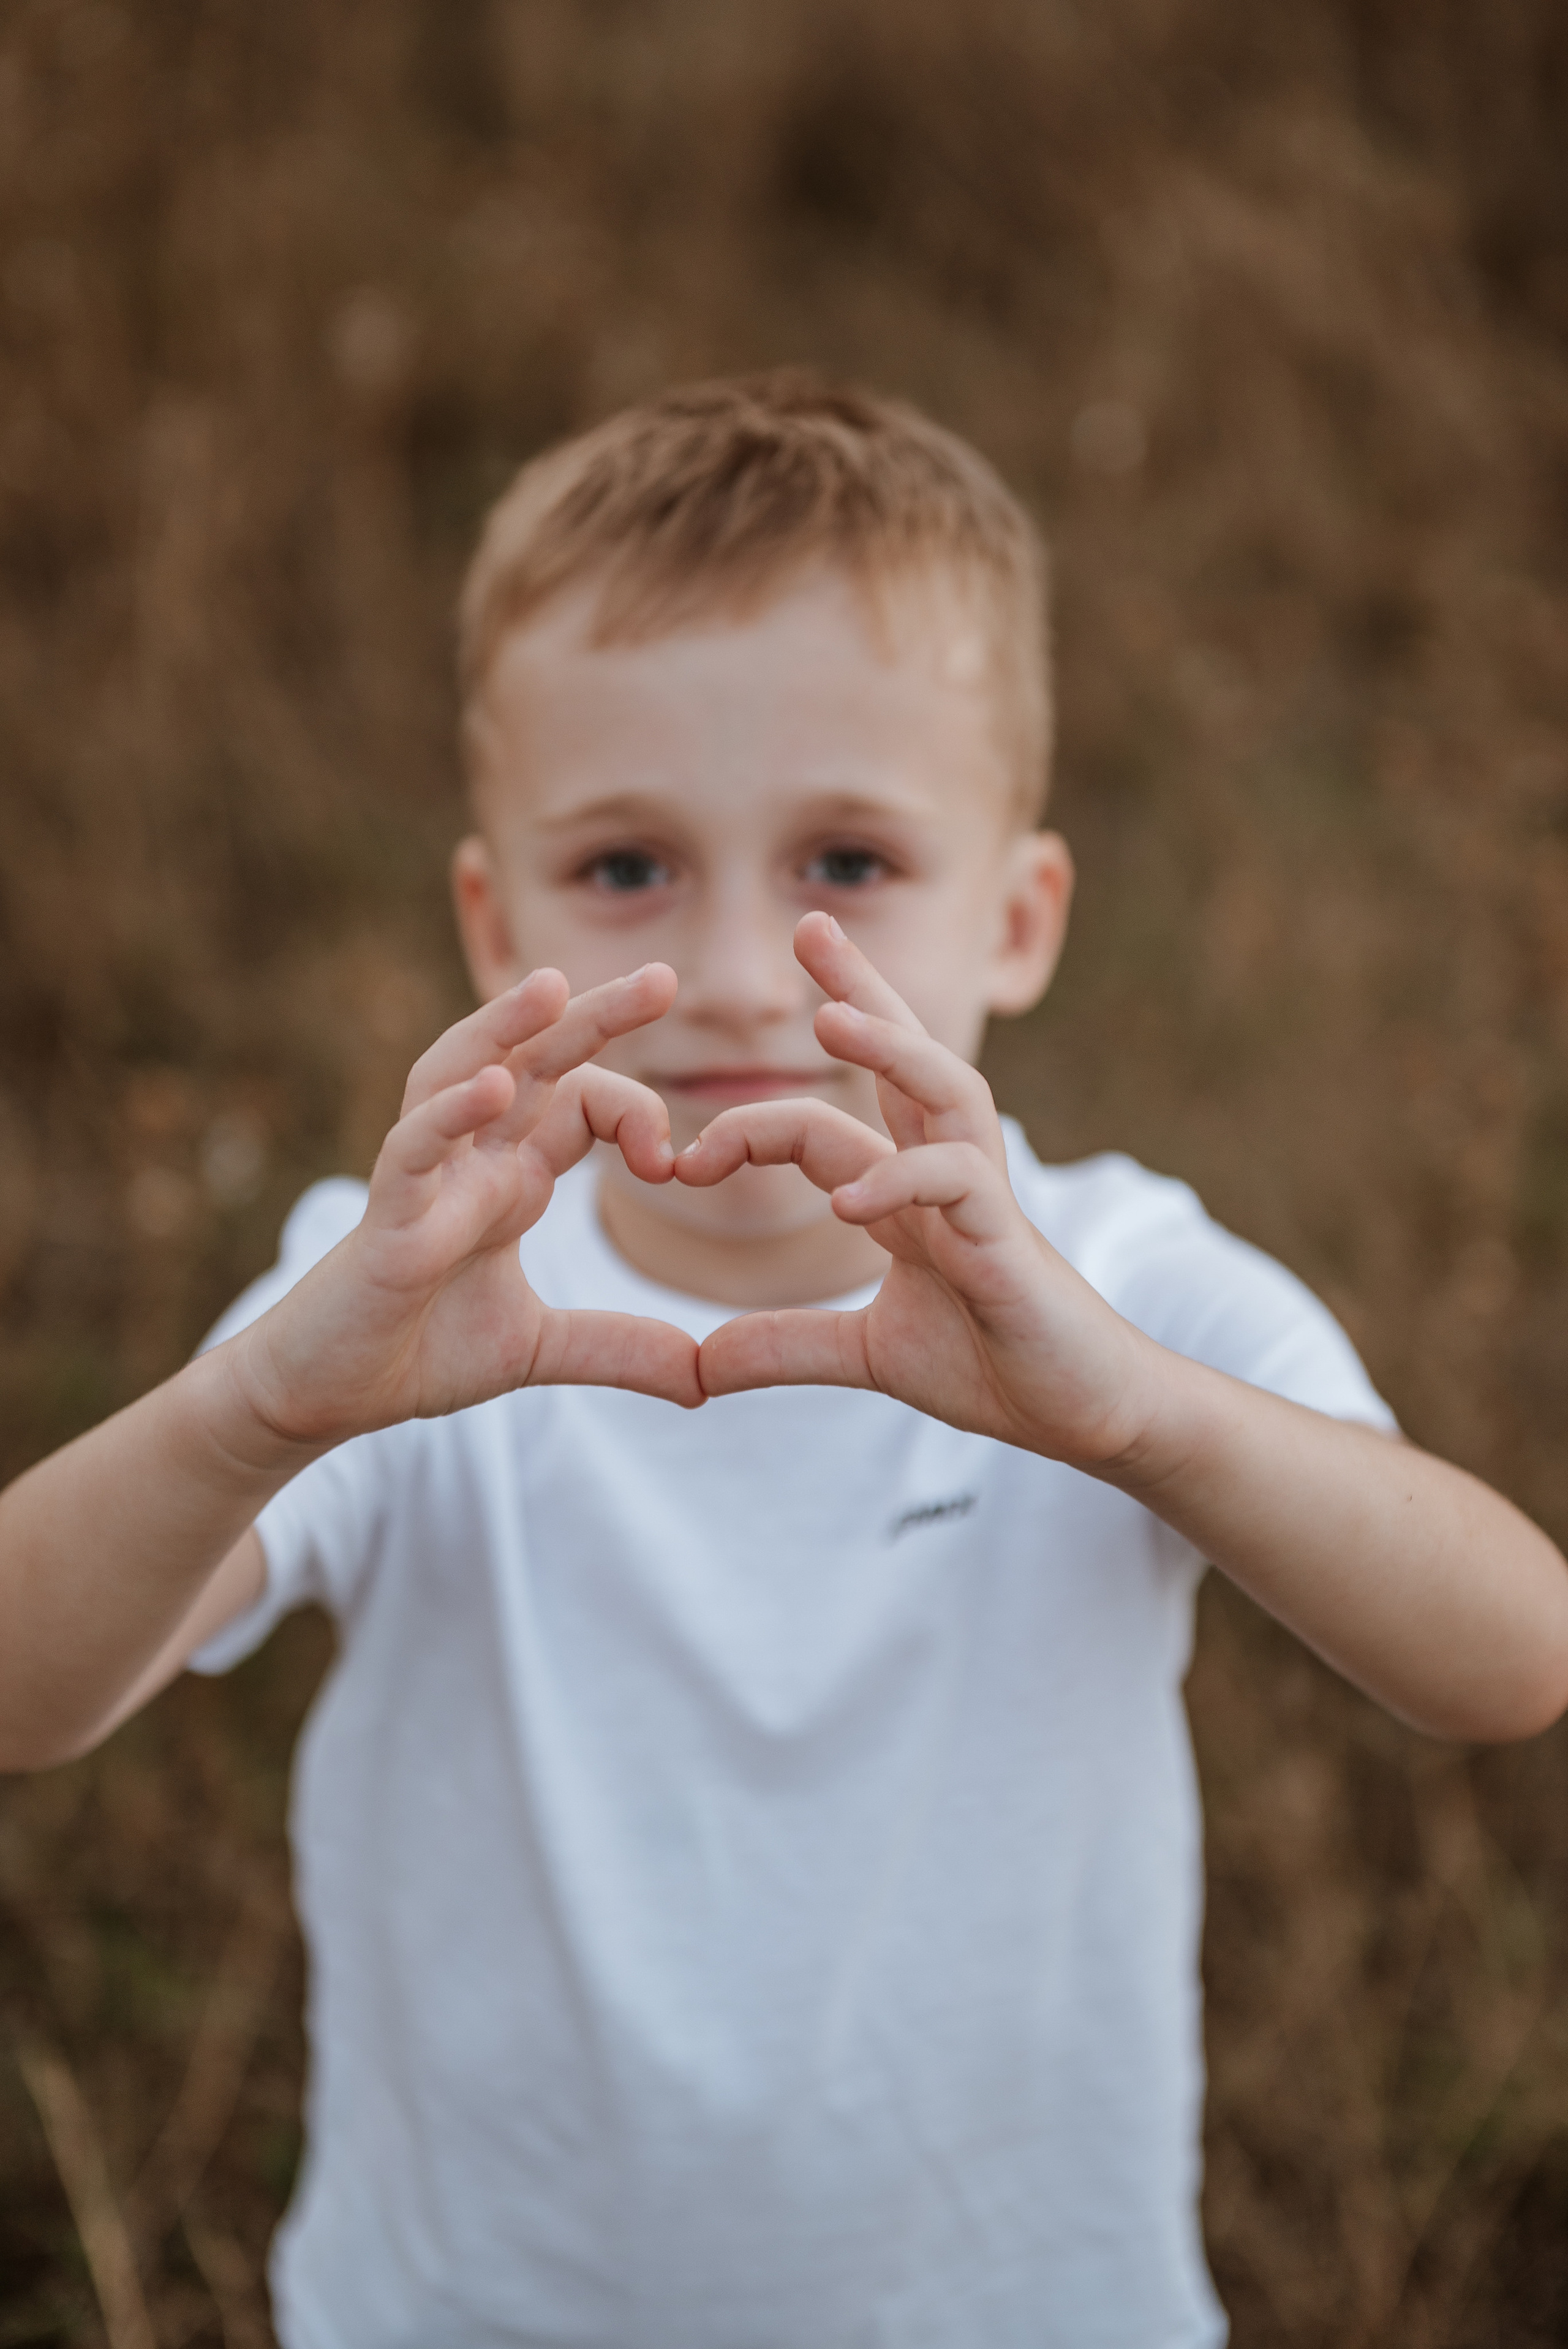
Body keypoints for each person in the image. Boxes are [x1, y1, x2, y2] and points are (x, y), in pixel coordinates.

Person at [3, 373, 1566, 2349]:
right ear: (495, 919)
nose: (742, 972)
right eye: (628, 869)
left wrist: (1141, 1415)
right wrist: (256, 1406)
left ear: (1021, 914)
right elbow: (26, 1695)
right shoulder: (394, 1304)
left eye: (847, 863)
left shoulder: (1127, 1283)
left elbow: (1512, 1653)